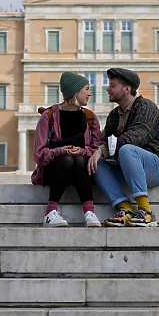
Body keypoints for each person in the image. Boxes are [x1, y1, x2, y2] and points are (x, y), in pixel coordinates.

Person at [88, 68, 159, 227]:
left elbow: (137, 135)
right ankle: (125, 210)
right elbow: (106, 141)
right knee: (96, 163)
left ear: (127, 89)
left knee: (127, 149)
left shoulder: (146, 106)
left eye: (112, 86)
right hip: (127, 168)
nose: (108, 89)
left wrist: (102, 150)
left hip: (157, 167)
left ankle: (146, 212)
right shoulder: (113, 115)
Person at [32, 72, 103, 227]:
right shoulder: (49, 115)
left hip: (82, 171)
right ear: (75, 92)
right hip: (55, 171)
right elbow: (39, 155)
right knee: (67, 159)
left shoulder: (90, 116)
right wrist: (60, 151)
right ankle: (50, 212)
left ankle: (89, 213)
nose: (89, 94)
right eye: (86, 89)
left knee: (79, 159)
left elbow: (98, 147)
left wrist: (82, 151)